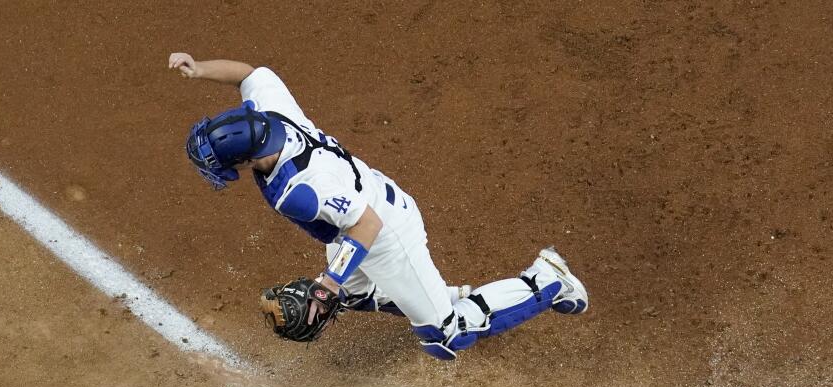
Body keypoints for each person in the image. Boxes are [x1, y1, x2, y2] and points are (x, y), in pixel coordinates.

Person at [170, 52, 590, 359]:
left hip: (386, 232)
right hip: (364, 198)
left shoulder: (298, 191)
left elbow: (365, 227)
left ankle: (548, 280)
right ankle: (434, 294)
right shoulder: (270, 114)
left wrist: (329, 282)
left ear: (245, 158)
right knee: (349, 294)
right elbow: (249, 74)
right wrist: (200, 68)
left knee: (446, 335)